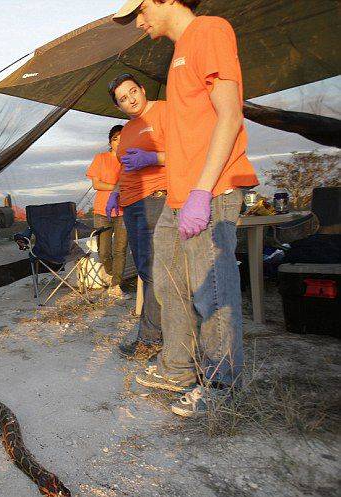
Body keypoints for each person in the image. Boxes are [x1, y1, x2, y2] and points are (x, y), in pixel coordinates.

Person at [113, 0, 259, 417]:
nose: (139, 22)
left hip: (208, 190)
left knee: (211, 286)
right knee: (168, 282)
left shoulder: (209, 31)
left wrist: (201, 191)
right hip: (178, 194)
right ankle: (178, 366)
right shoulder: (177, 53)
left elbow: (229, 116)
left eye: (140, 11)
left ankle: (222, 383)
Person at [105, 73, 167, 361]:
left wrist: (153, 159)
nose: (130, 100)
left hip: (155, 199)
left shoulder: (164, 110)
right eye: (123, 100)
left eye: (133, 92)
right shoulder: (129, 128)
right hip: (131, 204)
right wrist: (116, 191)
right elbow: (125, 167)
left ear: (142, 90)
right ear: (119, 107)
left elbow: (189, 149)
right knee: (144, 270)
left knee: (154, 271)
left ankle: (151, 339)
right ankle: (156, 334)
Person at [86, 126, 129, 299]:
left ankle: (117, 285)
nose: (119, 142)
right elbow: (97, 185)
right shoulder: (101, 158)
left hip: (124, 211)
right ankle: (112, 275)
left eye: (123, 138)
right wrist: (117, 188)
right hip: (102, 211)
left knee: (121, 249)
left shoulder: (128, 161)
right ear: (110, 141)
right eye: (116, 139)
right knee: (104, 251)